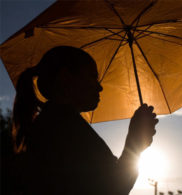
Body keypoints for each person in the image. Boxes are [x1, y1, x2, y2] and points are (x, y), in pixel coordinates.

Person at [11, 46, 158, 195]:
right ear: (65, 77)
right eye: (92, 76)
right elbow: (113, 188)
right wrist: (134, 144)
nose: (100, 87)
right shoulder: (63, 128)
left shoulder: (54, 123)